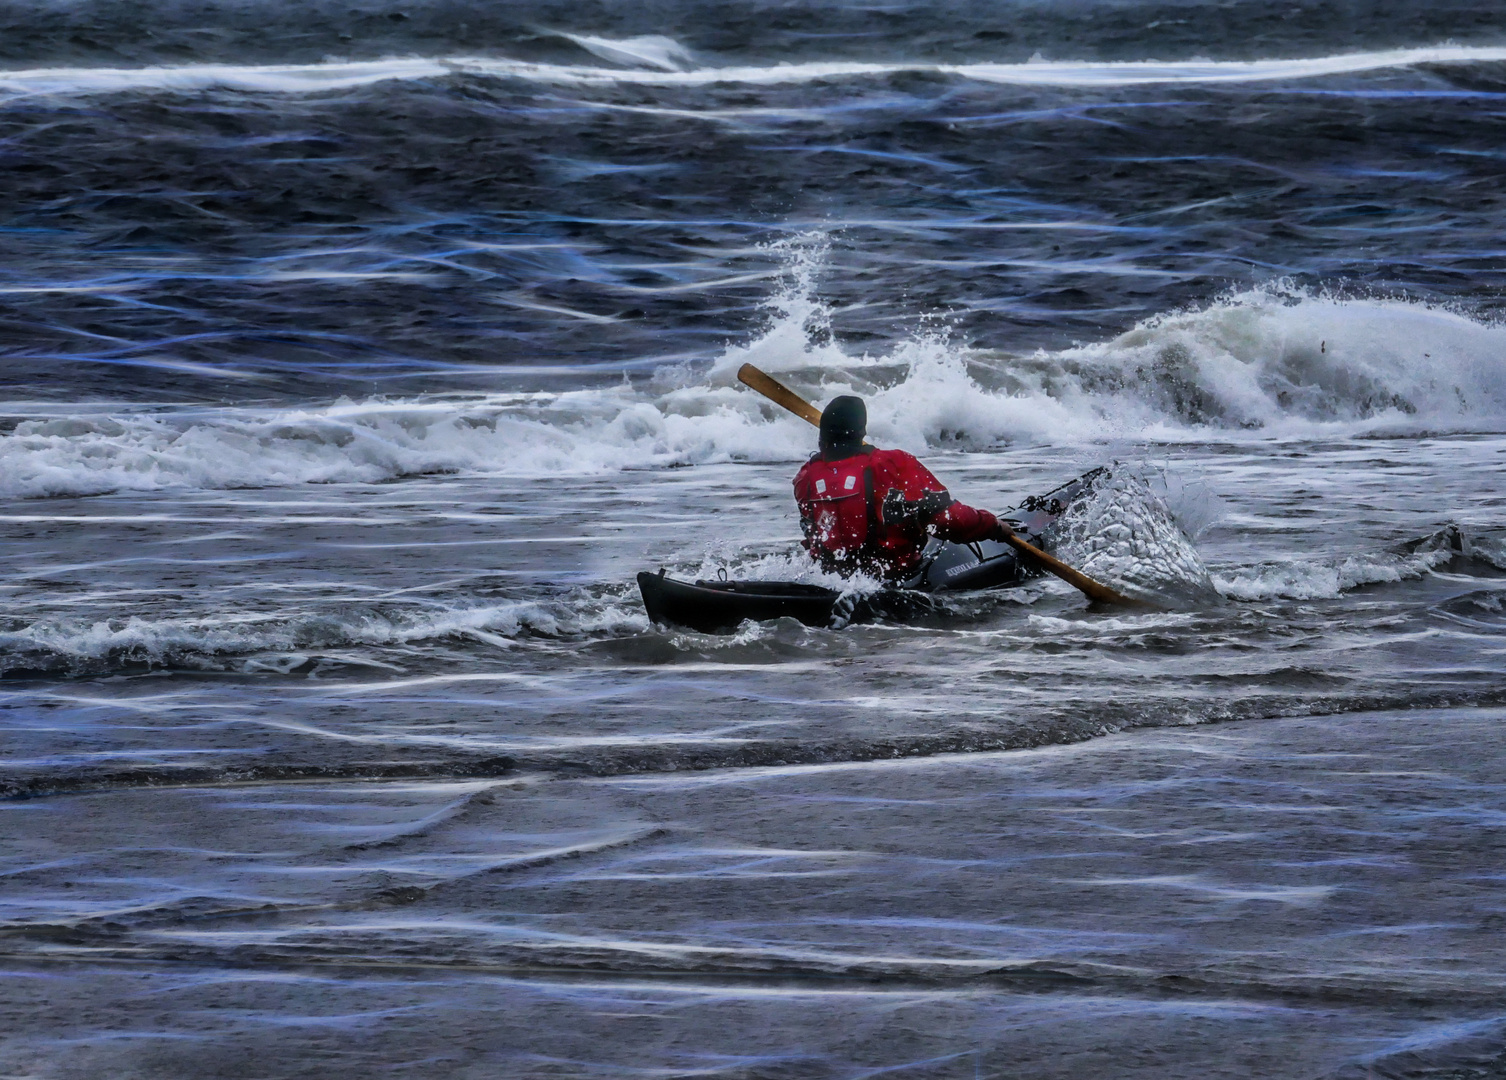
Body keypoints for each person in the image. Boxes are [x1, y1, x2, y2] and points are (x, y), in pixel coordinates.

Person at [792, 395, 1014, 580]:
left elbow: (811, 534)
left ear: (822, 436)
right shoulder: (892, 464)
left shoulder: (805, 477)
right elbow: (948, 519)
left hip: (833, 580)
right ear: (862, 433)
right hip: (894, 579)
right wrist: (993, 526)